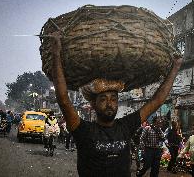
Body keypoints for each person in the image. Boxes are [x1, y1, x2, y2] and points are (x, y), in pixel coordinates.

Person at [49, 32, 182, 176]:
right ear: (93, 104)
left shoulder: (126, 126)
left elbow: (157, 100)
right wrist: (56, 54)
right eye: (103, 99)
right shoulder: (83, 130)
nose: (109, 103)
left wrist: (175, 67)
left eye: (113, 99)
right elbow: (63, 99)